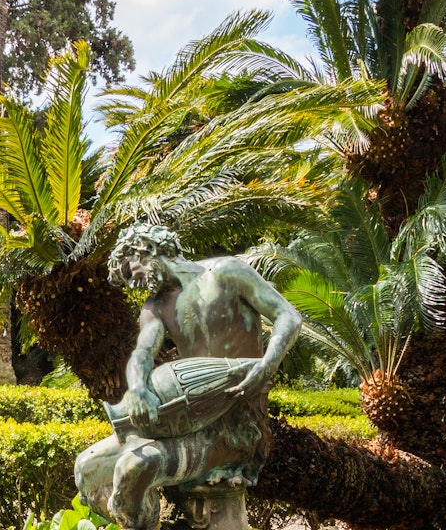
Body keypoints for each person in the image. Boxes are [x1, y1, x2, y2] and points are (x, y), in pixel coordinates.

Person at [74, 224, 302, 529]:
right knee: (85, 468)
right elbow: (142, 353)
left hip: (233, 425)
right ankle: (143, 520)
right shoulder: (156, 306)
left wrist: (267, 365)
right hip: (187, 414)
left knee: (134, 466)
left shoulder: (226, 272)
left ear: (146, 250)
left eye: (132, 272)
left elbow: (288, 315)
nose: (134, 283)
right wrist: (139, 387)